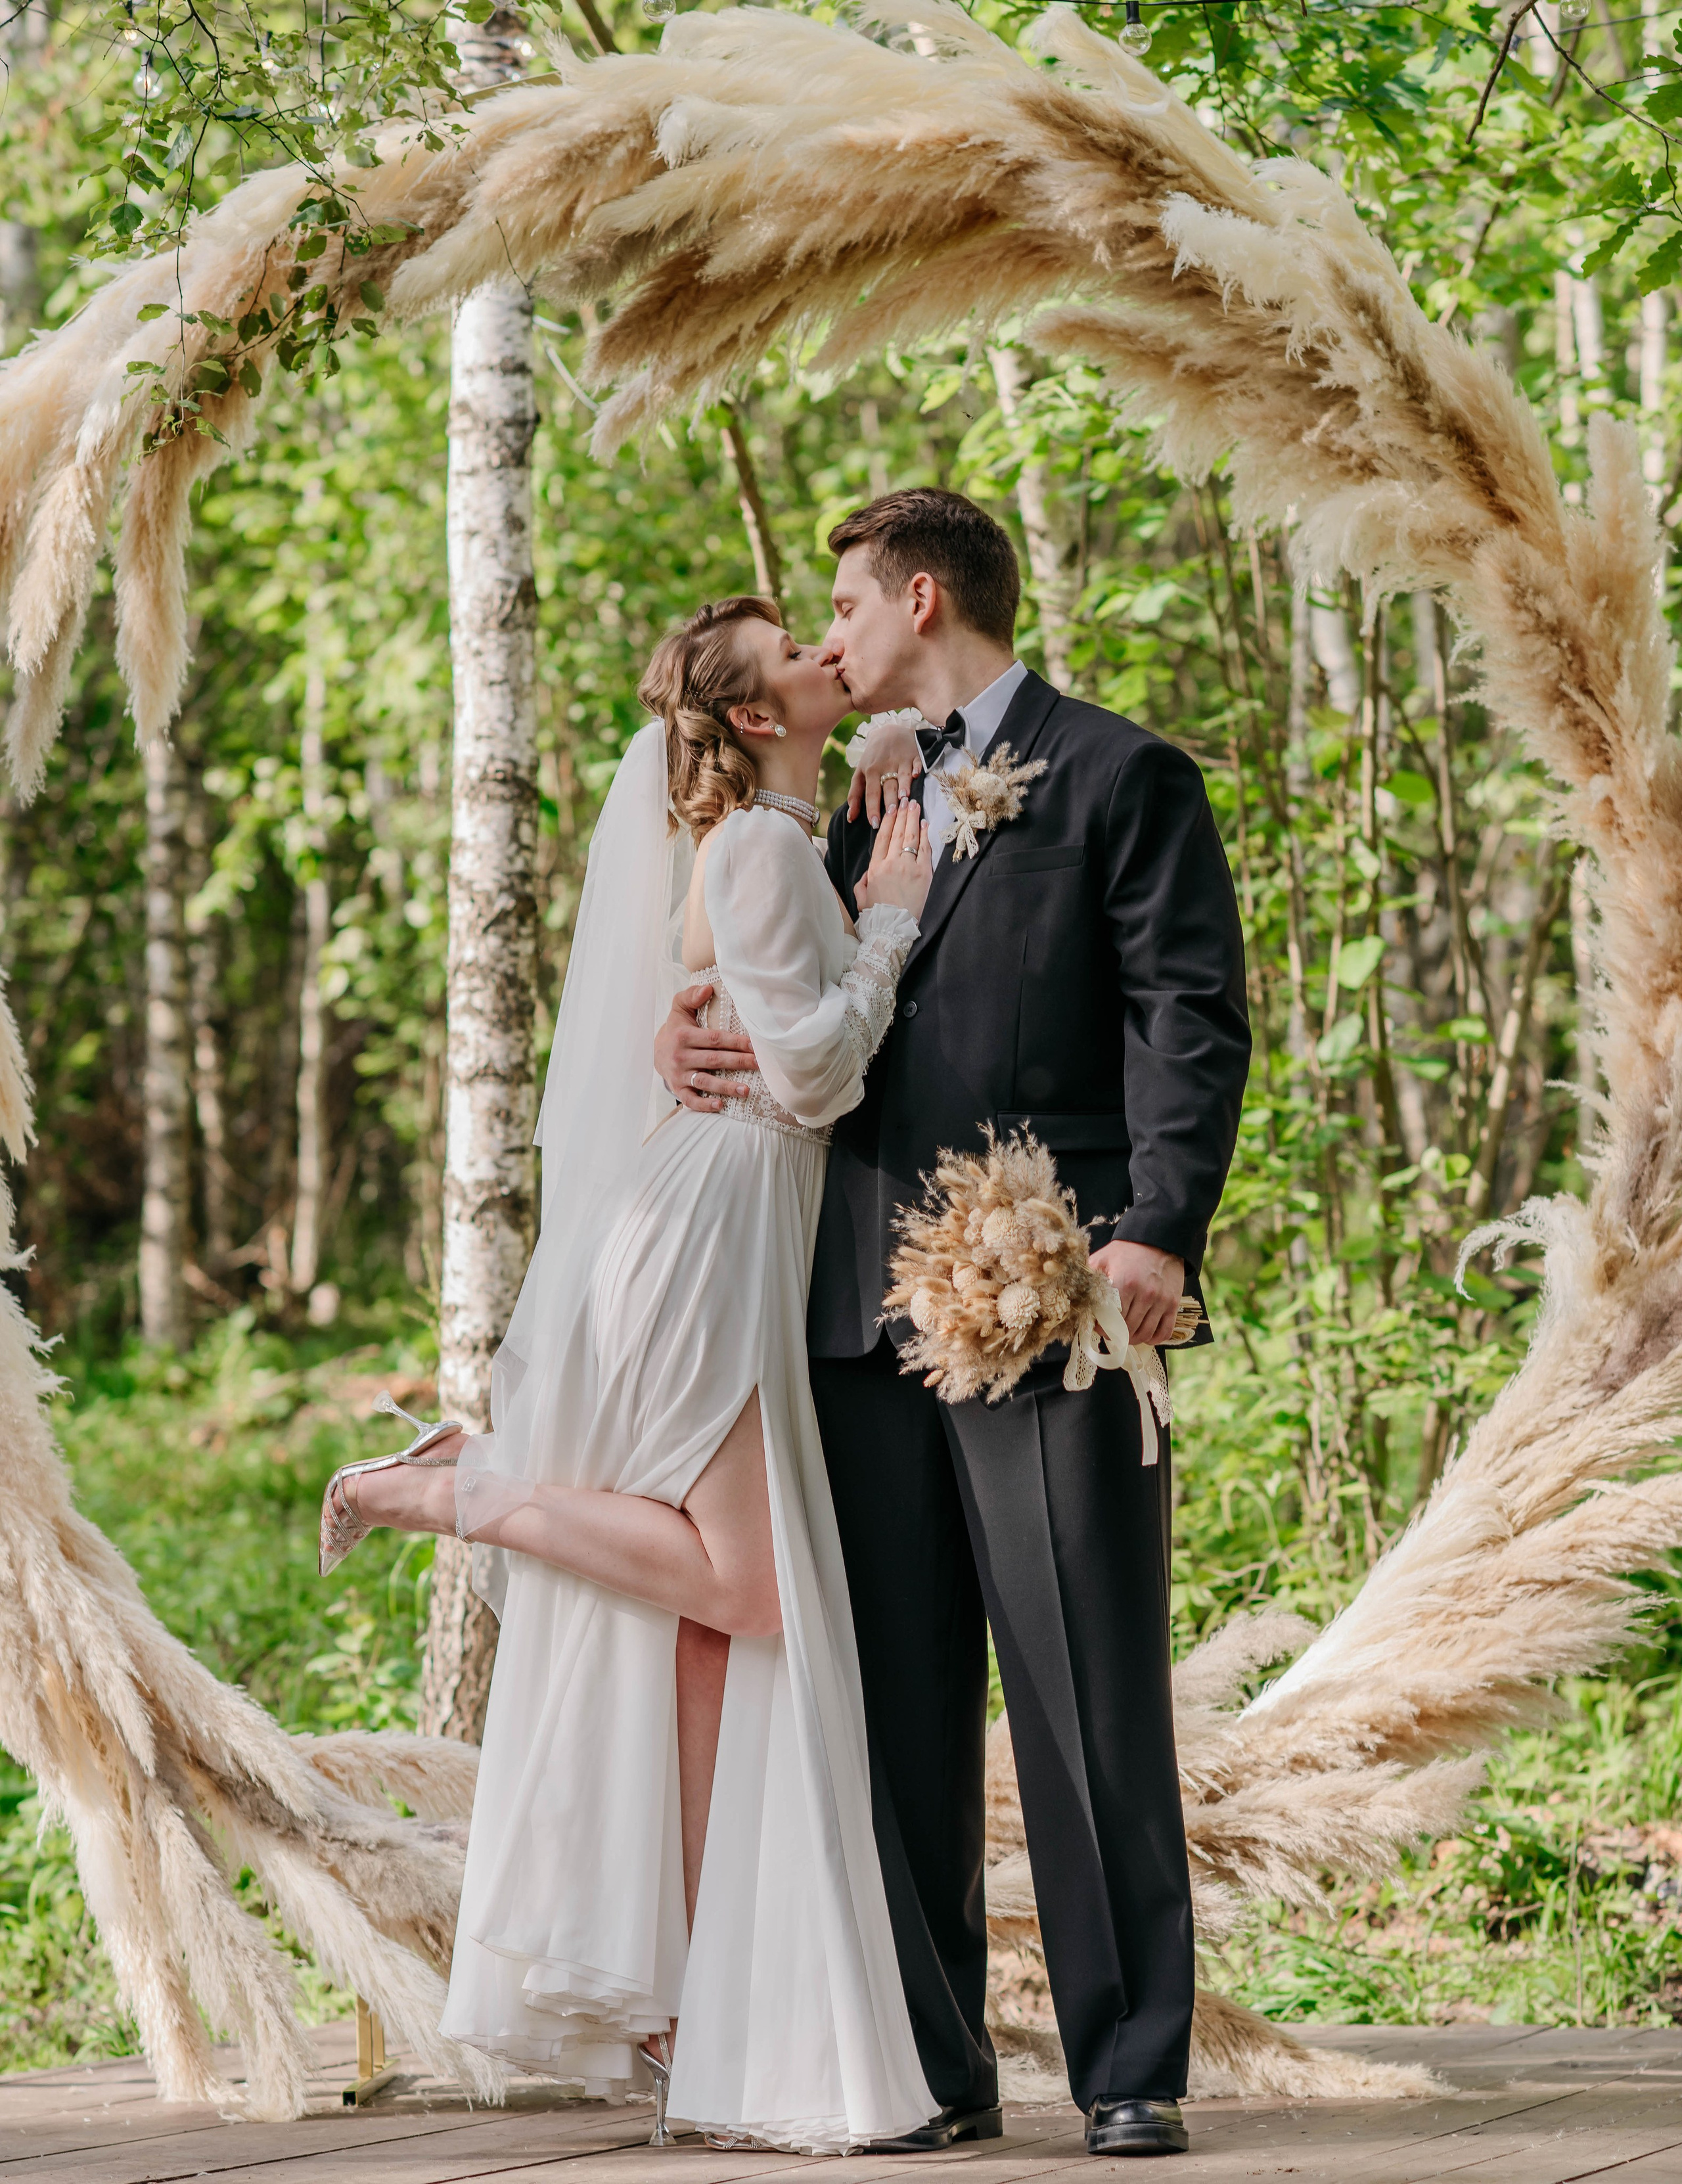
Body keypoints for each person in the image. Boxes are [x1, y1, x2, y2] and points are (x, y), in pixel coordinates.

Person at [655, 491, 1252, 2160]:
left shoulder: (1120, 776)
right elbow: (769, 986)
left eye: (845, 607)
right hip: (852, 1312)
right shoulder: (838, 802)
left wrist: (1155, 1229)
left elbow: (1188, 1016)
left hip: (1046, 1296)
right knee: (896, 1712)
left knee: (1082, 1689)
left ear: (920, 599)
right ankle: (933, 2072)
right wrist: (678, 1036)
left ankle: (1127, 2067)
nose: (829, 638)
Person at [317, 596, 941, 2154]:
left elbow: (747, 1000)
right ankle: (463, 1493)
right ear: (754, 719)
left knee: (707, 1646)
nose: (827, 653)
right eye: (797, 653)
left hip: (725, 1222)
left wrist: (883, 773)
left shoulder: (763, 838)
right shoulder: (760, 851)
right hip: (712, 1234)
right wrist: (892, 920)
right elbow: (814, 1072)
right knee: (747, 1590)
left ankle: (682, 2005)